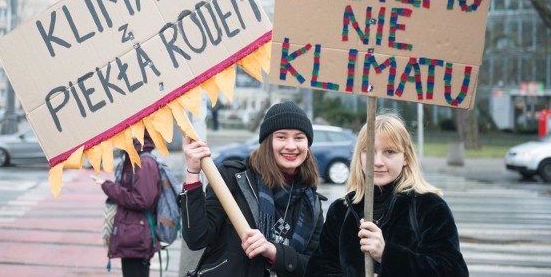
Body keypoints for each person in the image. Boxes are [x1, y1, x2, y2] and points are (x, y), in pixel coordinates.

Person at [305, 113, 469, 277]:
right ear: (359, 157)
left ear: (405, 157)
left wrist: (387, 254)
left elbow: (452, 271)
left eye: (389, 152)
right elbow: (318, 270)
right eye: (369, 151)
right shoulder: (342, 210)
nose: (378, 161)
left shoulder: (429, 207)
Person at [181, 101, 325, 277]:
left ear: (307, 146)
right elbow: (197, 238)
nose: (291, 145)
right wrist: (193, 173)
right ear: (266, 142)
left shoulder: (312, 204)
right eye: (281, 137)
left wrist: (274, 252)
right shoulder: (233, 178)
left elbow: (315, 267)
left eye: (299, 137)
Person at [94, 132, 161, 277]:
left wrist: (109, 188)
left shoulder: (143, 162)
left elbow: (142, 200)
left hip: (137, 237)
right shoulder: (132, 158)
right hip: (133, 234)